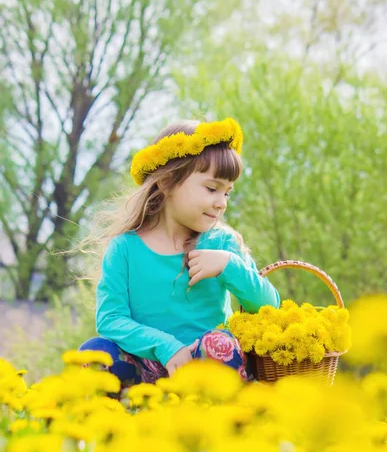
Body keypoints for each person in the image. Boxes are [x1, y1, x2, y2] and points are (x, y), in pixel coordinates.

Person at [79, 118, 280, 387]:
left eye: (227, 193)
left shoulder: (221, 244)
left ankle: (216, 418)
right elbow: (110, 319)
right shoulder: (124, 248)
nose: (221, 203)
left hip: (208, 370)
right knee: (96, 353)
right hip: (145, 369)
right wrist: (166, 346)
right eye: (211, 188)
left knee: (219, 344)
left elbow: (270, 306)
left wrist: (230, 266)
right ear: (168, 182)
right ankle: (115, 422)